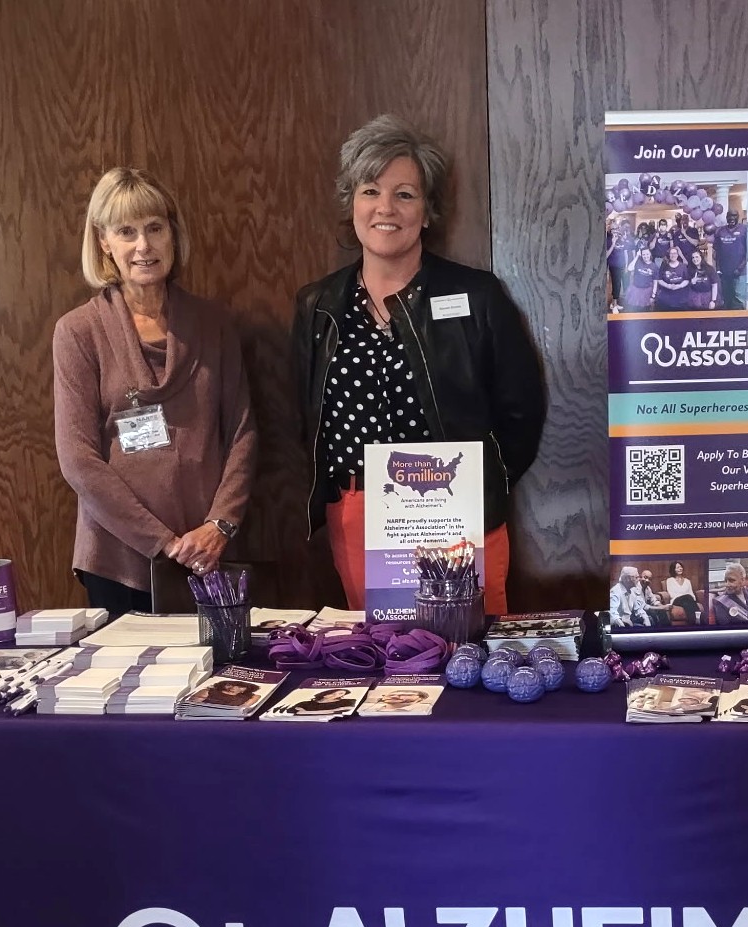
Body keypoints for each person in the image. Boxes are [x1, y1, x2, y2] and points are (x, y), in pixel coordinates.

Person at [292, 115, 546, 615]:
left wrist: (475, 486)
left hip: (457, 510)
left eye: (405, 194)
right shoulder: (317, 305)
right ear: (352, 204)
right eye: (370, 190)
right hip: (359, 510)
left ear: (428, 211)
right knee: (390, 670)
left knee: (470, 653)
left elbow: (522, 412)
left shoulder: (477, 295)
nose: (386, 207)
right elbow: (306, 419)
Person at [53, 167, 257, 618]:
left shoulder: (214, 326)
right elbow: (78, 459)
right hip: (118, 561)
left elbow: (241, 432)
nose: (143, 246)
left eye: (154, 228)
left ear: (172, 235)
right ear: (104, 242)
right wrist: (163, 542)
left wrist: (219, 526)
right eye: (126, 232)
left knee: (216, 687)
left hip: (209, 556)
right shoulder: (78, 332)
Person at [713, 210, 747, 309]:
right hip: (724, 273)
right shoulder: (720, 231)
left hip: (740, 273)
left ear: (738, 217)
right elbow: (717, 253)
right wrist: (718, 269)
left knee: (738, 300)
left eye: (734, 216)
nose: (732, 218)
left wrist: (740, 269)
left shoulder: (744, 230)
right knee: (726, 299)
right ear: (726, 218)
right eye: (729, 216)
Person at [711, 561, 748, 626]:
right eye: (725, 581)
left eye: (731, 580)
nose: (727, 584)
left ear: (742, 580)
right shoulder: (720, 603)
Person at [665, 560, 701, 626]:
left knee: (687, 602)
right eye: (677, 567)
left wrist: (690, 598)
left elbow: (691, 594)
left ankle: (692, 622)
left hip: (687, 600)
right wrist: (685, 596)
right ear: (673, 570)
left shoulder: (687, 581)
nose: (680, 569)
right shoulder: (670, 580)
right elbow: (671, 594)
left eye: (680, 567)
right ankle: (697, 618)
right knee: (687, 597)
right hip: (676, 600)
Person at [624, 242, 658, 312]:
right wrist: (636, 256)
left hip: (647, 291)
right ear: (641, 255)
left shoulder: (654, 266)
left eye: (647, 254)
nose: (645, 256)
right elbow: (630, 268)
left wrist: (653, 295)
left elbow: (655, 281)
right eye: (644, 254)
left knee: (645, 311)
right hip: (636, 291)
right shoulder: (638, 262)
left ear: (650, 254)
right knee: (634, 311)